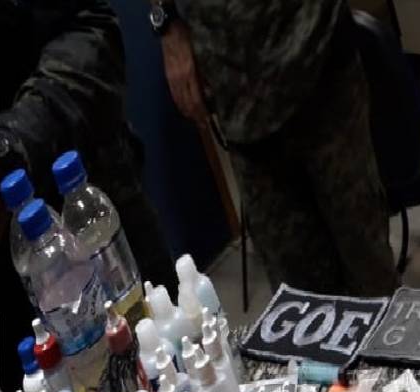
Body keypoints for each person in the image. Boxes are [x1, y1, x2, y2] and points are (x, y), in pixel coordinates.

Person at [0, 0, 177, 392]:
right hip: (2, 319)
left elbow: (91, 30)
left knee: (175, 379)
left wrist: (10, 145)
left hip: (85, 213)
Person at [151, 0, 398, 297]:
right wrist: (167, 26)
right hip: (237, 92)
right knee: (296, 292)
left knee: (368, 265)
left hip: (319, 55)